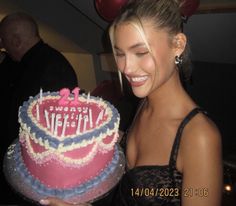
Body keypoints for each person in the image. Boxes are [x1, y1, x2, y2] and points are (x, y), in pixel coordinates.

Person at [40, 0, 222, 205]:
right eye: (119, 53)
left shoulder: (199, 137)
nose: (126, 68)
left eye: (141, 52)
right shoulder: (144, 103)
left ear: (177, 45)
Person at [0, 12, 78, 205]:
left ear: (16, 41)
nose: (3, 46)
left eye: (4, 41)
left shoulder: (53, 68)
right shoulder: (15, 62)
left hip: (29, 175)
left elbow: (51, 136)